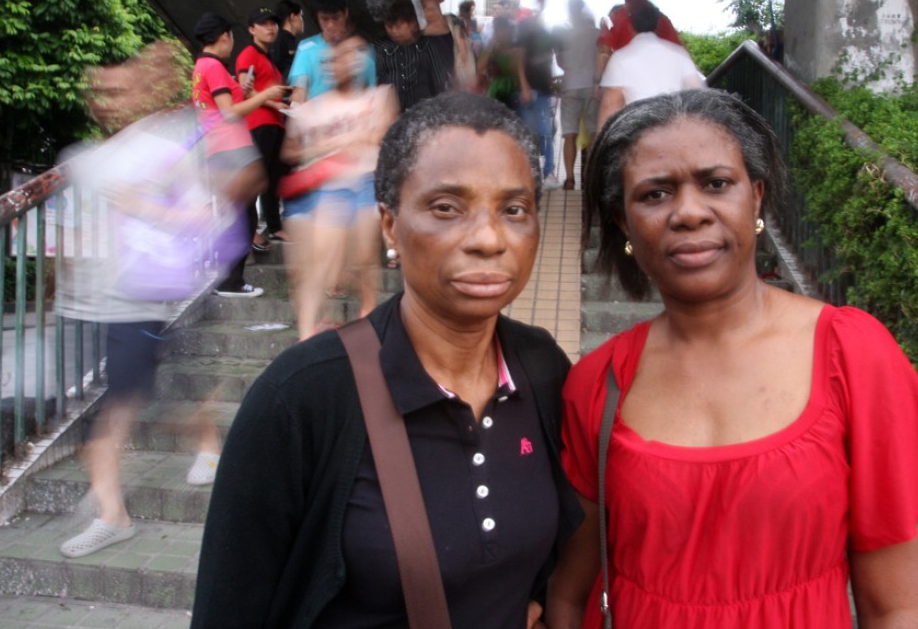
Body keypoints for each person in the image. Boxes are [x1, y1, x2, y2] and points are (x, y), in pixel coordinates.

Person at [545, 89, 918, 628]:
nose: (689, 212)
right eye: (655, 194)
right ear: (622, 222)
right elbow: (570, 593)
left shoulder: (852, 355)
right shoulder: (599, 382)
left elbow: (897, 610)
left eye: (715, 183)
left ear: (755, 197)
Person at [191, 92, 584, 627]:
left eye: (514, 210)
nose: (489, 239)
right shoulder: (302, 398)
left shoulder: (541, 369)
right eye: (447, 208)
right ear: (390, 224)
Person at [57, 45, 231, 559]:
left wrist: (144, 207)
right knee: (146, 401)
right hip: (91, 304)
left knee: (119, 413)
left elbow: (203, 217)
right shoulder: (86, 159)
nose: (108, 101)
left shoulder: (164, 149)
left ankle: (114, 515)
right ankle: (204, 441)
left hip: (140, 302)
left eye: (118, 89)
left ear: (141, 90)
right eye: (100, 91)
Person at [279, 35, 397, 339]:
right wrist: (326, 148)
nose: (339, 64)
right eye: (332, 59)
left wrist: (358, 140)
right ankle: (309, 333)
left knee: (364, 257)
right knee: (325, 265)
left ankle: (367, 312)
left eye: (347, 56)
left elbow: (384, 134)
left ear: (359, 61)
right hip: (330, 187)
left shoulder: (379, 97)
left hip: (366, 181)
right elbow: (289, 151)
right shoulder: (314, 109)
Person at [191, 11, 287, 298]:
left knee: (238, 214)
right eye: (231, 37)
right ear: (224, 37)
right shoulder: (214, 66)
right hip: (229, 147)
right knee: (242, 218)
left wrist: (242, 91)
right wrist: (264, 96)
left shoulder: (201, 66)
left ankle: (229, 279)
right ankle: (231, 281)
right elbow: (229, 113)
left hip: (217, 148)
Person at [596, 0, 703, 129]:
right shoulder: (679, 54)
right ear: (657, 24)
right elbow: (699, 96)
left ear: (630, 25)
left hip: (639, 131)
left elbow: (609, 108)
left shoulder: (621, 59)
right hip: (676, 130)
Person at [236, 6, 289, 246]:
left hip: (275, 123)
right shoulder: (248, 54)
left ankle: (274, 226)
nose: (270, 28)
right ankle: (250, 230)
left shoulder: (267, 57)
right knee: (257, 178)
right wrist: (274, 104)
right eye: (264, 24)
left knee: (272, 178)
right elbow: (244, 90)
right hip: (259, 122)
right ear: (251, 29)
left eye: (273, 23)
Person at [288, 0, 376, 104]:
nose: (330, 25)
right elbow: (299, 92)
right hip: (316, 114)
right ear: (317, 17)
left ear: (345, 13)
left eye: (335, 18)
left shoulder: (362, 50)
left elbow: (371, 94)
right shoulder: (306, 49)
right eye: (324, 19)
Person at [553, 0, 599, 190]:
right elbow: (601, 59)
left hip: (570, 85)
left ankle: (570, 179)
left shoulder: (564, 35)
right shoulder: (596, 34)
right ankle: (591, 177)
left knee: (569, 134)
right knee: (593, 132)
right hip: (591, 85)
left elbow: (561, 62)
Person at [375, 0, 449, 113]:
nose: (393, 31)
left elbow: (439, 82)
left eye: (398, 26)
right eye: (389, 26)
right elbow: (378, 83)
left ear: (413, 23)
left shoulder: (428, 46)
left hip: (423, 112)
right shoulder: (382, 49)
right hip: (392, 114)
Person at [516, 0, 557, 182]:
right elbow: (519, 61)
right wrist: (524, 85)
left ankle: (548, 172)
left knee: (545, 132)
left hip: (543, 90)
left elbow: (549, 60)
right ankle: (531, 173)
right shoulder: (526, 33)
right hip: (530, 89)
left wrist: (551, 83)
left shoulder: (545, 34)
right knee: (530, 132)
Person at [270, 0, 304, 80]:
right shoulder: (279, 39)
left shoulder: (290, 40)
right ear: (293, 17)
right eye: (300, 16)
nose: (302, 20)